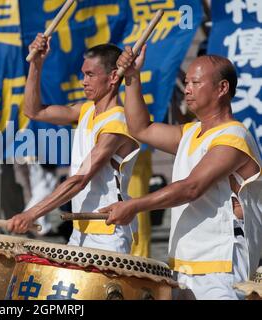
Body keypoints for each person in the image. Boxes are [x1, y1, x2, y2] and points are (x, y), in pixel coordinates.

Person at [100, 45, 262, 299]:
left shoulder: (234, 136)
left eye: (196, 82)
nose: (187, 89)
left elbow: (192, 188)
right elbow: (141, 129)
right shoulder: (190, 133)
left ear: (222, 89)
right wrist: (131, 77)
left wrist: (133, 206)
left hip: (221, 266)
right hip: (185, 263)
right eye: (186, 82)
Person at [6, 34, 140, 253]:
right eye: (83, 74)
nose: (83, 81)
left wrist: (32, 213)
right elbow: (34, 111)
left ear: (114, 77)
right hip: (80, 230)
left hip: (108, 234)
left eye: (90, 75)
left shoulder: (117, 122)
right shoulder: (86, 109)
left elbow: (80, 179)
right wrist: (36, 65)